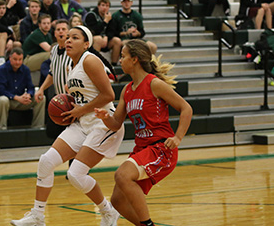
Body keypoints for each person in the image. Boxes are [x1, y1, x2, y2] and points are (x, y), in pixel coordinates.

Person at [10, 25, 124, 226]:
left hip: (103, 123)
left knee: (75, 174)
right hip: (83, 123)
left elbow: (109, 95)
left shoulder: (90, 60)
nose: (69, 40)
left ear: (86, 44)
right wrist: (68, 101)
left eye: (75, 37)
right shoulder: (70, 66)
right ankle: (37, 216)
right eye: (67, 37)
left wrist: (80, 109)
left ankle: (108, 212)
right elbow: (79, 94)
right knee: (46, 162)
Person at [94, 39, 192, 226]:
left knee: (122, 175)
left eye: (123, 57)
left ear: (135, 59)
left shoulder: (154, 84)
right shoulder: (127, 90)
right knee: (117, 200)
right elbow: (116, 124)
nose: (119, 61)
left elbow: (186, 108)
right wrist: (105, 117)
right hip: (141, 150)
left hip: (161, 149)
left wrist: (178, 137)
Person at [35, 19, 71, 138]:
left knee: (71, 137)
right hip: (59, 99)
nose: (61, 32)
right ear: (54, 33)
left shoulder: (74, 50)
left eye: (63, 29)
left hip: (72, 100)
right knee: (53, 133)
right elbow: (52, 73)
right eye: (58, 29)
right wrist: (41, 89)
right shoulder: (54, 50)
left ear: (68, 32)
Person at [0, 47, 45, 130]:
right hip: (5, 99)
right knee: (3, 100)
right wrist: (16, 97)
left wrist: (28, 94)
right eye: (15, 59)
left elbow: (30, 87)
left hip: (19, 100)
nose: (18, 62)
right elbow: (0, 90)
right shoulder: (2, 70)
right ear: (10, 58)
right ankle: (3, 128)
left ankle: (38, 127)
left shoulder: (25, 69)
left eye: (20, 59)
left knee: (41, 98)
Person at [85, 0, 123, 66]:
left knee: (117, 41)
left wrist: (107, 37)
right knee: (98, 38)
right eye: (103, 5)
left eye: (107, 6)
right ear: (98, 6)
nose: (105, 8)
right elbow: (93, 31)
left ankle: (114, 65)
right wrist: (105, 22)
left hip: (106, 41)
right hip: (93, 40)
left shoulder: (110, 17)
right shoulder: (91, 15)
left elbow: (112, 31)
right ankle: (94, 63)